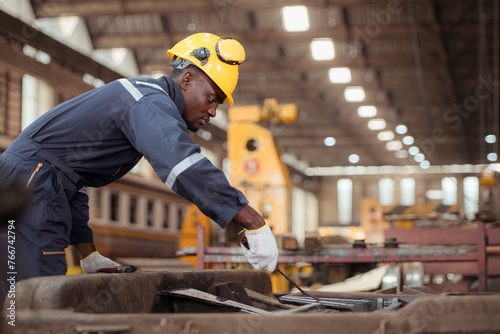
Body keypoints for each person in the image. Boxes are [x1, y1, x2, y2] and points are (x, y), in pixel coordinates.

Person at [0, 33, 279, 287]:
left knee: (18, 294)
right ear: (187, 80)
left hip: (29, 179)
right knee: (33, 293)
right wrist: (252, 221)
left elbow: (71, 179)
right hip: (27, 184)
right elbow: (183, 167)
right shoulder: (147, 101)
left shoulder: (143, 98)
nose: (214, 111)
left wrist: (88, 255)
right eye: (211, 98)